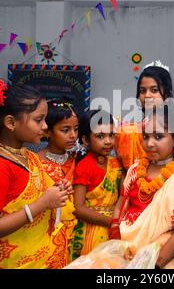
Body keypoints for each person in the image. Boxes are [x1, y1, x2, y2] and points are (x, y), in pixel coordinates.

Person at [0, 79, 72, 269]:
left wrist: (56, 191)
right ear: (10, 122)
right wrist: (43, 203)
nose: (45, 127)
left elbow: (30, 194)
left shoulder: (28, 155)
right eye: (38, 120)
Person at [111, 105, 174, 269]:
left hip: (164, 260)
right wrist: (116, 240)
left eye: (159, 136)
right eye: (146, 136)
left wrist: (154, 264)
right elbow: (120, 207)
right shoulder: (135, 170)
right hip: (127, 255)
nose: (150, 143)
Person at [71, 109, 123, 260]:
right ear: (86, 140)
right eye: (100, 136)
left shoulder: (115, 163)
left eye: (111, 135)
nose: (108, 141)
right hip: (90, 231)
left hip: (113, 229)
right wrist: (112, 223)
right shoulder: (85, 166)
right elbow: (78, 208)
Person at [37, 98, 79, 261]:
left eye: (76, 129)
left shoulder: (79, 159)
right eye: (65, 130)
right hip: (45, 235)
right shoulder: (36, 162)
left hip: (77, 235)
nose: (73, 135)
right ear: (47, 131)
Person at [115, 61, 174, 170]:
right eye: (142, 91)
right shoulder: (127, 132)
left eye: (154, 90)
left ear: (166, 93)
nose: (147, 95)